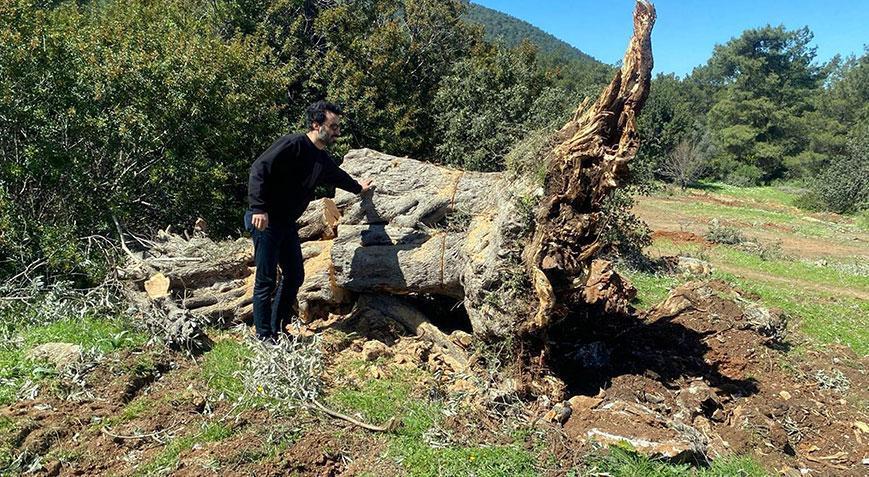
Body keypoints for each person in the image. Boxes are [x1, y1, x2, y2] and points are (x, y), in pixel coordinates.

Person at [245, 101, 372, 341]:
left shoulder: (321, 159)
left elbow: (338, 176)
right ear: (316, 124)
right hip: (266, 221)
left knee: (294, 275)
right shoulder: (292, 144)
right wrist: (258, 208)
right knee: (266, 279)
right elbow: (259, 169)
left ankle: (278, 329)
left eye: (337, 127)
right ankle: (263, 336)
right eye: (333, 126)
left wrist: (359, 188)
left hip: (286, 224)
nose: (337, 132)